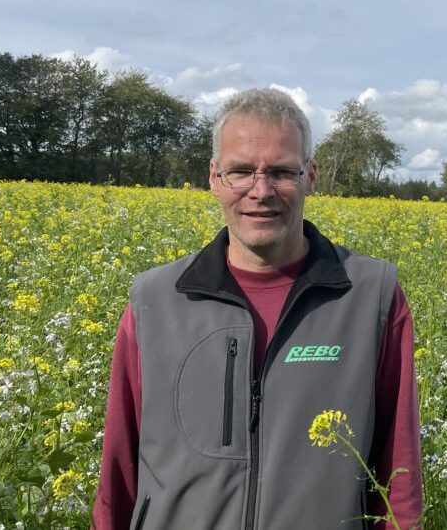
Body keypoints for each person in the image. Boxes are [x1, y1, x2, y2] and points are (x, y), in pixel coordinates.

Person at [92, 88, 422, 529]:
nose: (261, 191)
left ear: (311, 176)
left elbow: (398, 472)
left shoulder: (371, 297)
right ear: (214, 177)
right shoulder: (155, 301)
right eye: (241, 171)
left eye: (283, 172)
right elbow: (118, 471)